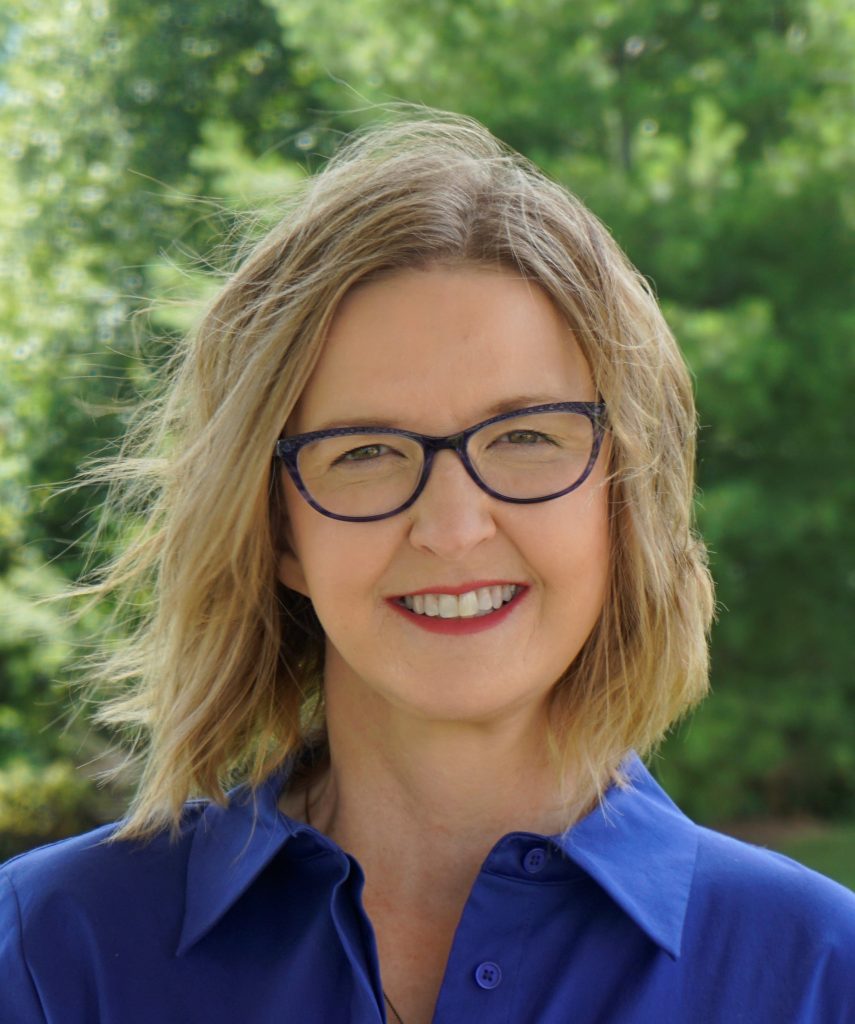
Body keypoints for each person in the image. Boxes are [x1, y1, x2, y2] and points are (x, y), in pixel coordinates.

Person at [1, 112, 853, 1024]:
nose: (451, 528)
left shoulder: (817, 973)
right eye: (364, 451)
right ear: (277, 528)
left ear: (623, 499)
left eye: (525, 436)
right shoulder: (49, 951)